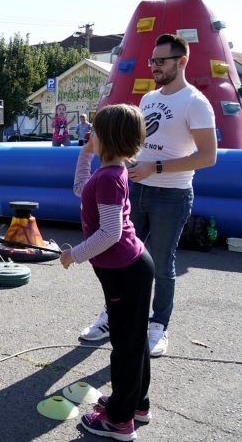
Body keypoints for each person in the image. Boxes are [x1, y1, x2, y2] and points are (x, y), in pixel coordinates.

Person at [80, 34, 217, 358]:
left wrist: (157, 167)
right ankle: (112, 316)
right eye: (151, 61)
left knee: (161, 262)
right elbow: (136, 144)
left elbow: (209, 156)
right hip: (135, 187)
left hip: (172, 195)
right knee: (119, 255)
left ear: (181, 61)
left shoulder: (196, 103)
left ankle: (158, 325)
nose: (154, 66)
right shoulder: (149, 99)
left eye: (161, 61)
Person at [61, 104, 154, 441]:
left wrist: (75, 255)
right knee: (134, 340)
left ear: (109, 138)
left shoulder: (112, 179)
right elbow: (80, 188)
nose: (90, 136)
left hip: (126, 272)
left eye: (95, 132)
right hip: (129, 269)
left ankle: (119, 420)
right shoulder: (109, 173)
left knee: (126, 346)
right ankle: (135, 403)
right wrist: (85, 154)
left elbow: (111, 233)